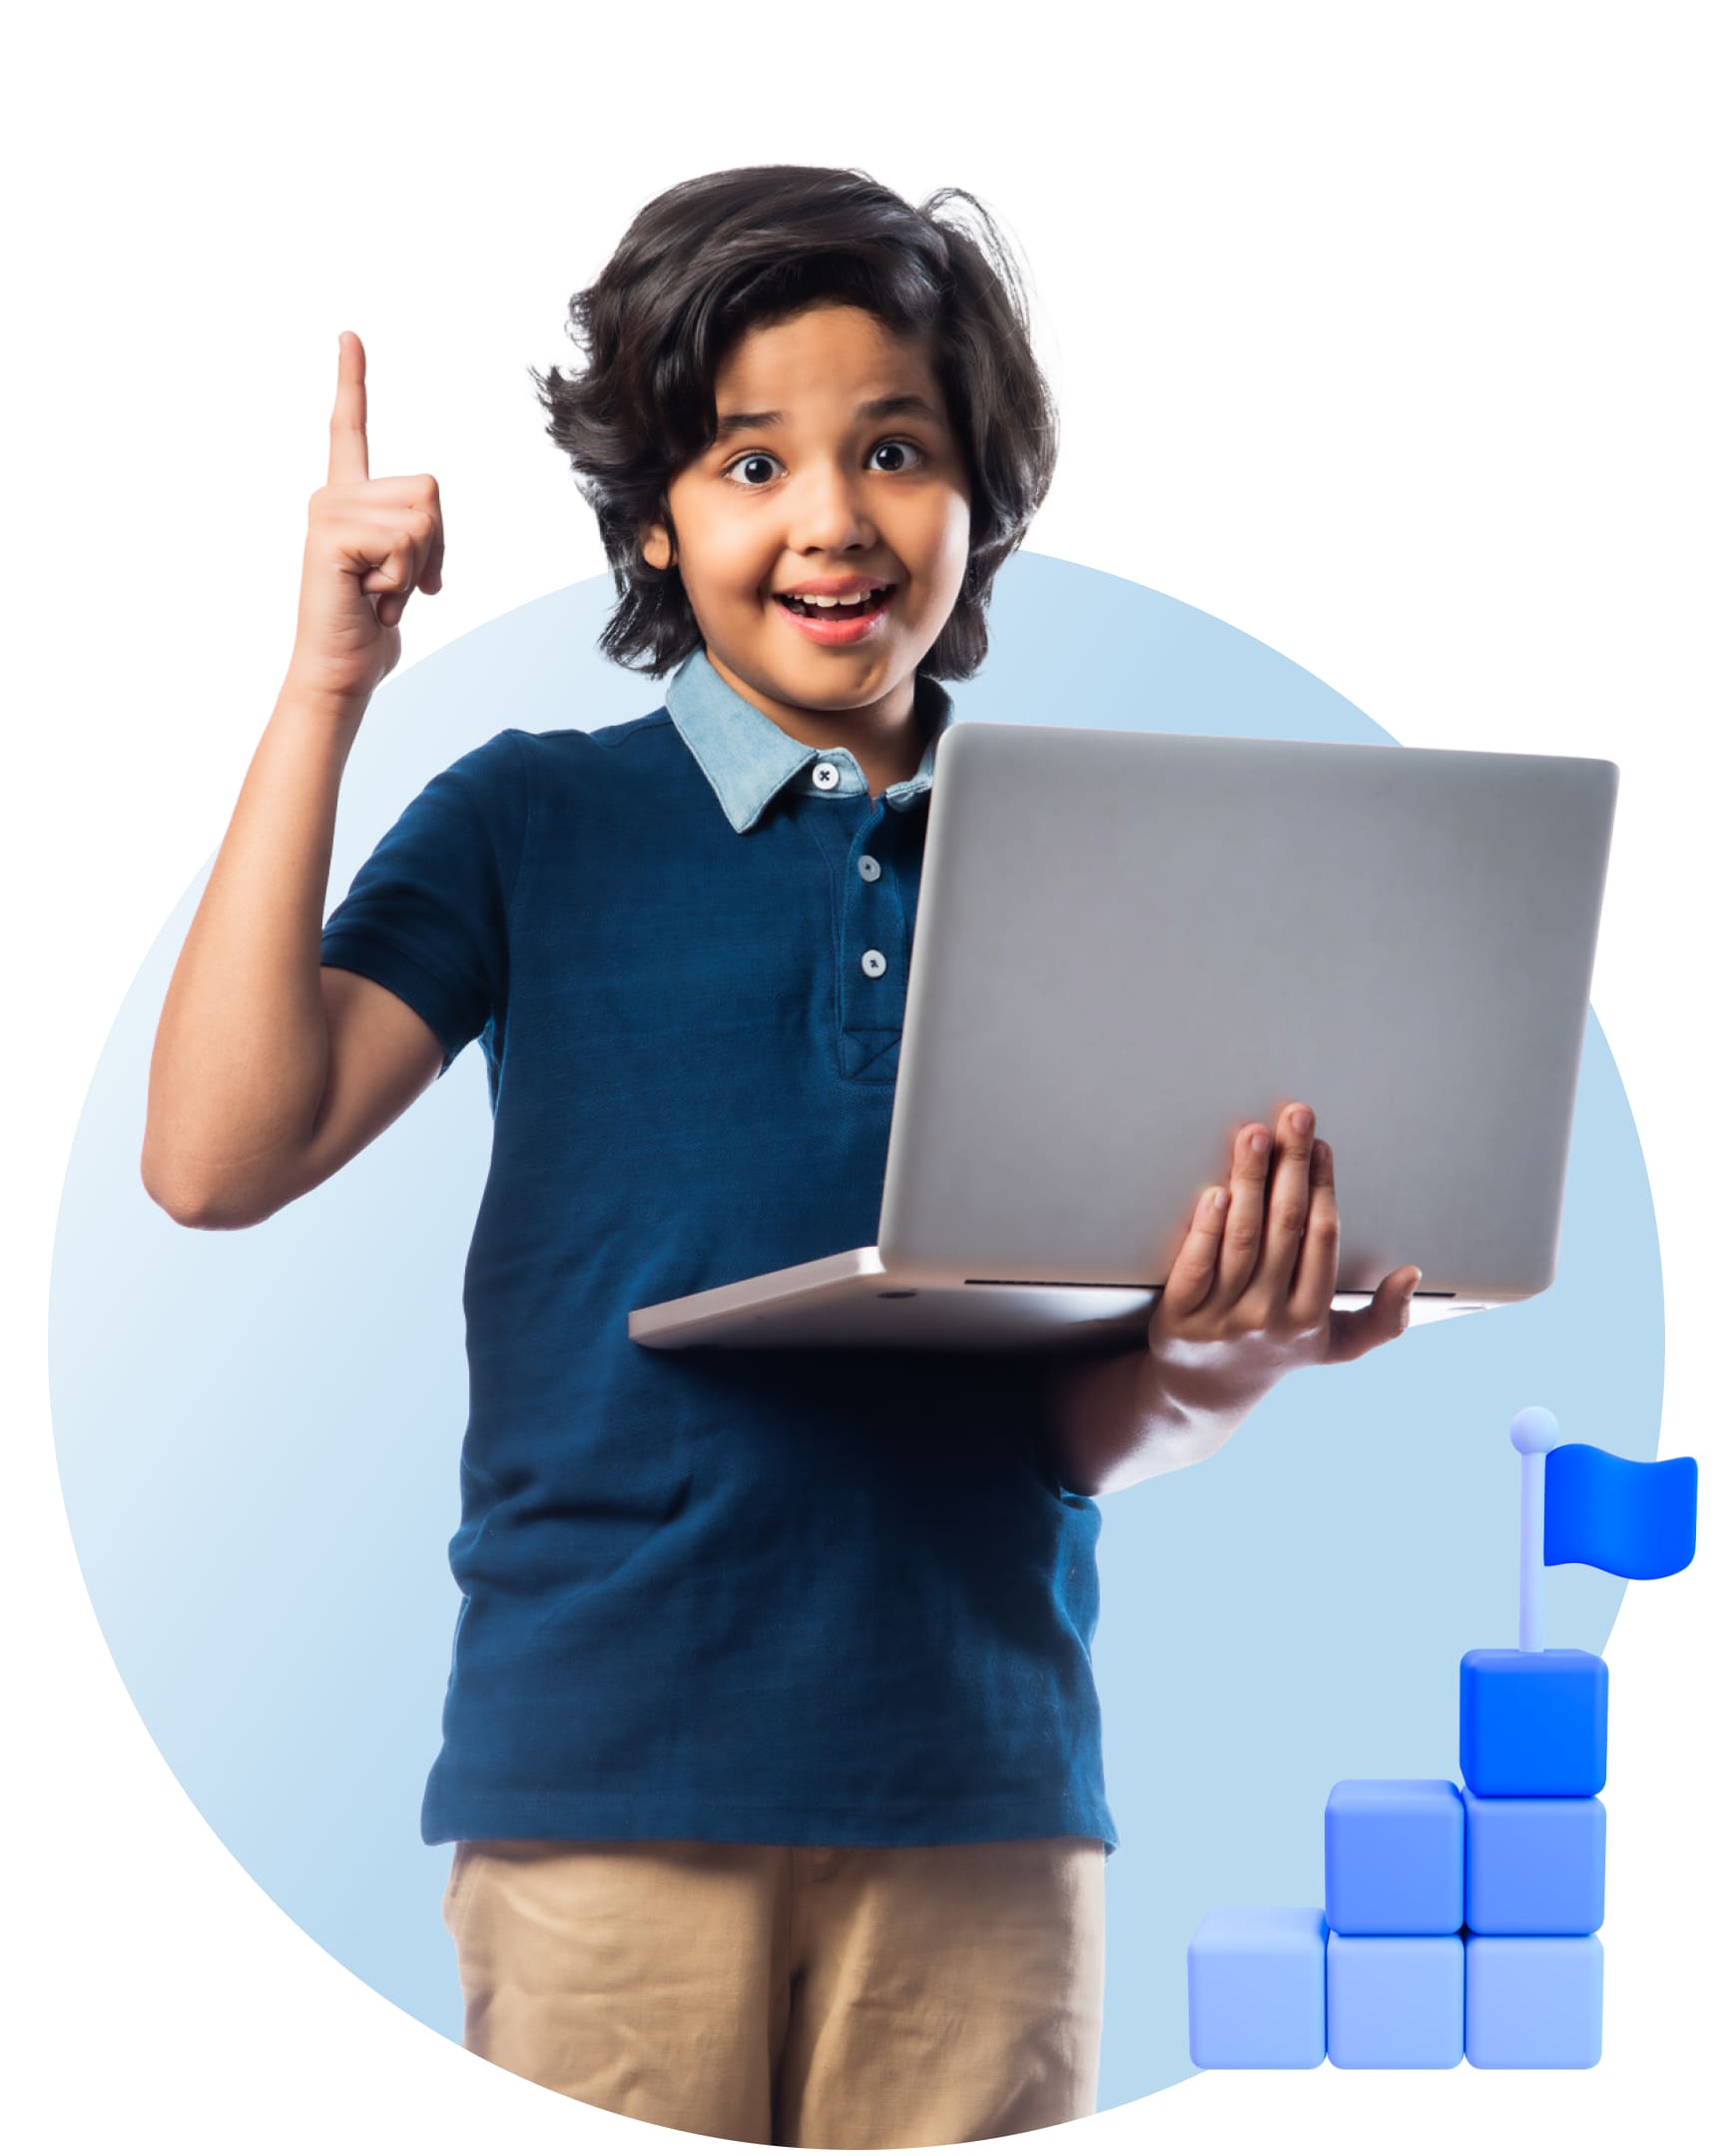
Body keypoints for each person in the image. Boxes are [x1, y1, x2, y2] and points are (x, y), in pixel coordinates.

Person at [141, 165, 1419, 2147]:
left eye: (895, 450)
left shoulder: (1108, 871)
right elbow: (219, 1157)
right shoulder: (529, 825)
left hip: (980, 1813)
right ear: (655, 516)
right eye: (751, 462)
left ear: (977, 496)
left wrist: (1214, 1365)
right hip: (599, 1803)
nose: (831, 519)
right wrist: (327, 686)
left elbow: (1077, 1423)